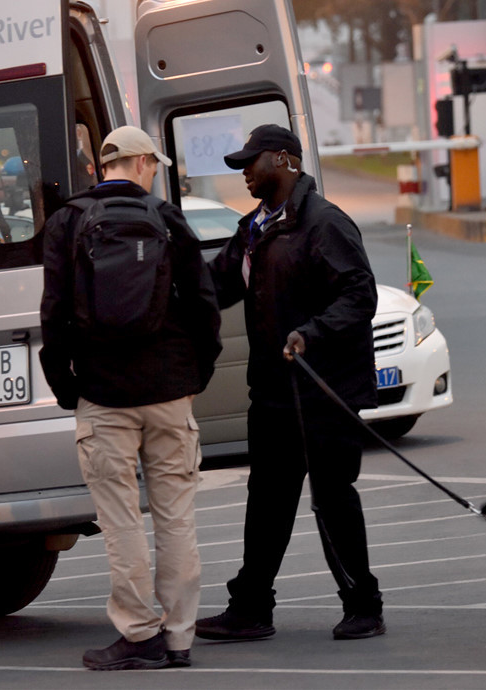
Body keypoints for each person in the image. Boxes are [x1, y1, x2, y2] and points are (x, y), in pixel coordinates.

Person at [39, 125, 222, 670]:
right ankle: (180, 637)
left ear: (103, 167)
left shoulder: (67, 223)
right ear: (142, 163)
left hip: (103, 393)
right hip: (169, 392)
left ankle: (139, 634)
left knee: (121, 522)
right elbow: (203, 305)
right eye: (154, 165)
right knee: (176, 518)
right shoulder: (167, 219)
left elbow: (53, 318)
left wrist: (68, 388)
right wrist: (196, 373)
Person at [197, 124, 385, 642]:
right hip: (275, 393)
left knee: (332, 498)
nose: (244, 176)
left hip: (325, 391)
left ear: (284, 160)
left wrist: (311, 332)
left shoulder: (324, 224)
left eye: (250, 164)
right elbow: (216, 285)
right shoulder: (255, 228)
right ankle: (252, 609)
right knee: (268, 501)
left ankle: (363, 605)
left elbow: (358, 296)